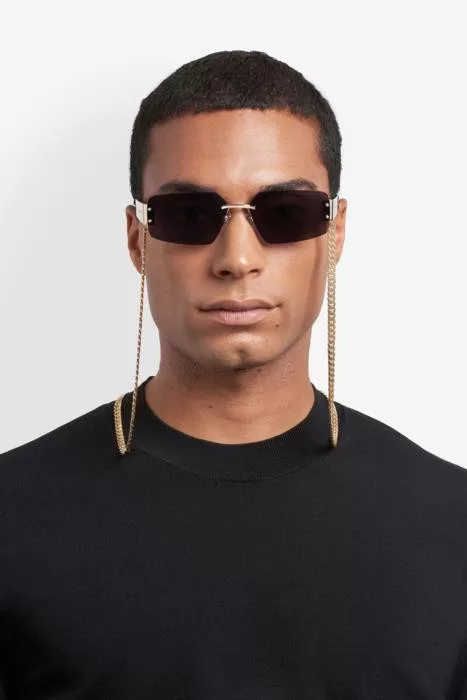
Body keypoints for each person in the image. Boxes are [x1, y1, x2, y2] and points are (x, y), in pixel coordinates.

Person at [1, 49, 466, 699]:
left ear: (334, 234)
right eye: (190, 214)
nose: (237, 258)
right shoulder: (12, 517)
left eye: (285, 212)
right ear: (137, 239)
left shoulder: (452, 525)